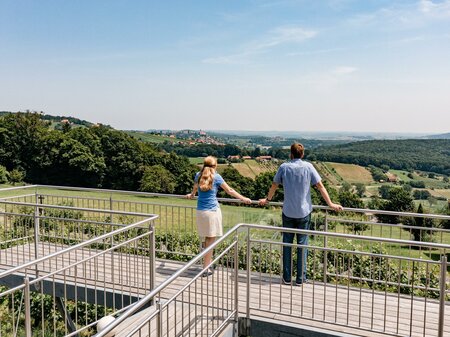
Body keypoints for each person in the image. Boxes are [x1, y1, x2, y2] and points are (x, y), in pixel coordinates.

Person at [259, 143, 343, 285]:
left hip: (288, 211)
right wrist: (330, 204)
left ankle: (286, 277)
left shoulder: (284, 167)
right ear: (302, 154)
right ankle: (300, 278)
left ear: (290, 154)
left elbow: (274, 185)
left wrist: (267, 200)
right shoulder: (308, 167)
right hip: (304, 212)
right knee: (302, 245)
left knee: (287, 244)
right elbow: (320, 186)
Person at [186, 156, 252, 277]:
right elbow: (230, 191)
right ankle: (205, 268)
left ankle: (207, 263)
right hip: (212, 212)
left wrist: (191, 195)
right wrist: (243, 199)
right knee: (210, 241)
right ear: (215, 166)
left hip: (201, 211)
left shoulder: (198, 175)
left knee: (206, 239)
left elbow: (195, 188)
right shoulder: (216, 177)